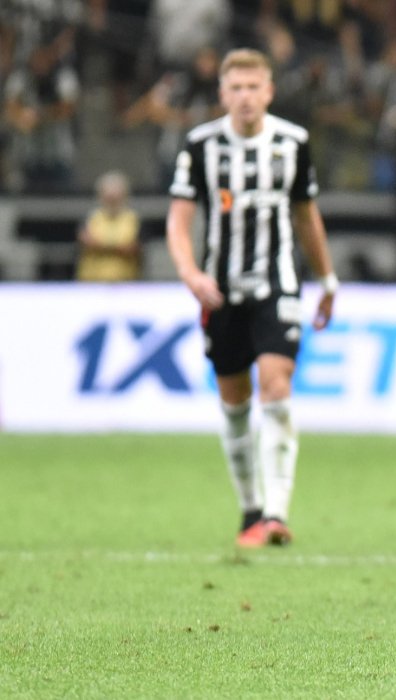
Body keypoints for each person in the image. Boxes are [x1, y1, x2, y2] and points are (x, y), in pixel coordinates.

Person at [166, 48, 338, 549]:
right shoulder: (199, 146)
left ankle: (277, 513)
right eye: (235, 88)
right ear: (222, 94)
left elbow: (307, 216)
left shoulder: (293, 142)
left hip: (278, 284)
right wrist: (190, 274)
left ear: (269, 91)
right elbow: (179, 220)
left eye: (253, 87)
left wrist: (327, 279)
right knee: (235, 401)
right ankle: (250, 511)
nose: (244, 97)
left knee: (276, 385)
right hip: (220, 291)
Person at [76, 170, 142, 282]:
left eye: (115, 197)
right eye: (108, 196)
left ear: (124, 196)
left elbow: (133, 248)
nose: (112, 200)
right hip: (91, 284)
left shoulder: (134, 219)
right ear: (100, 195)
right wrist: (118, 246)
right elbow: (86, 242)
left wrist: (101, 245)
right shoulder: (90, 218)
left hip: (126, 285)